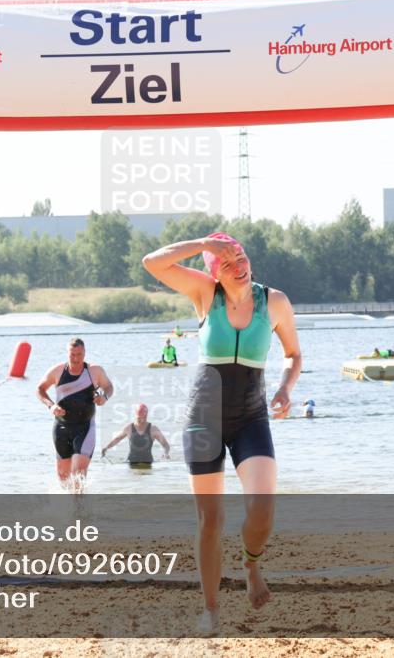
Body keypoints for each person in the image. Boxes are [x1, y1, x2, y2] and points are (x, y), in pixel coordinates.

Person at [143, 231, 302, 633]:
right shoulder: (204, 294)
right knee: (210, 521)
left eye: (241, 256)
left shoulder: (275, 302)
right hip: (202, 417)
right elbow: (152, 262)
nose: (239, 265)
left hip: (251, 417)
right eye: (227, 262)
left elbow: (293, 354)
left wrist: (285, 388)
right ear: (215, 270)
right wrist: (202, 245)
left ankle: (251, 562)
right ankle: (211, 610)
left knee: (262, 509)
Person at [37, 337, 114, 492]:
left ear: (84, 353)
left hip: (85, 427)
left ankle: (79, 511)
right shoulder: (58, 371)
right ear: (67, 354)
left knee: (78, 474)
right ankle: (67, 511)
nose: (76, 359)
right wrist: (51, 406)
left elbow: (108, 387)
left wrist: (103, 397)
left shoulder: (94, 371)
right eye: (72, 355)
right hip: (61, 427)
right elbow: (40, 389)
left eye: (79, 354)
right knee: (63, 477)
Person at [101, 403, 171, 466]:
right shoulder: (129, 428)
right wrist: (106, 447)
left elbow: (166, 445)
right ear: (136, 416)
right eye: (139, 418)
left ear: (146, 416)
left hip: (148, 463)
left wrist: (166, 453)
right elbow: (117, 439)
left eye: (143, 418)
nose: (141, 420)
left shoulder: (153, 429)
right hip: (131, 462)